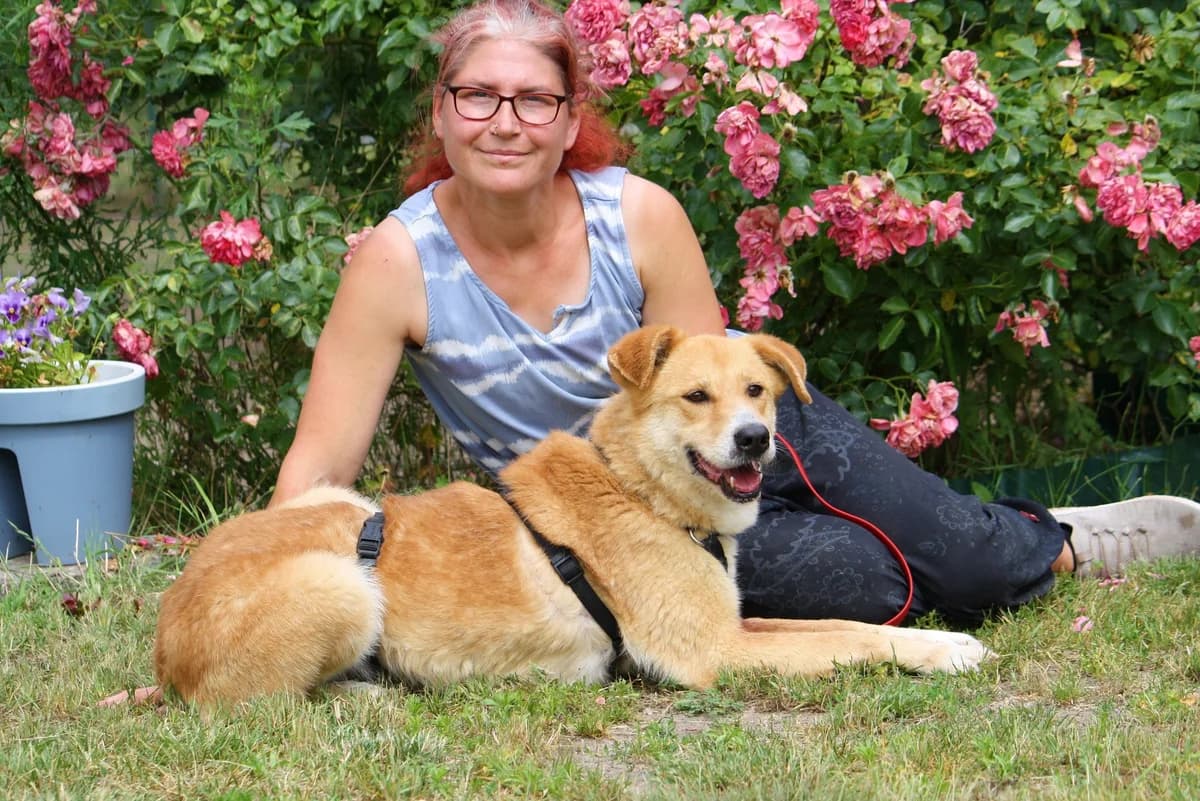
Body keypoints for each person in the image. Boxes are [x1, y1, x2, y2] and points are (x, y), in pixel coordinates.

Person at [270, 0, 1200, 628]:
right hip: (604, 522)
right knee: (873, 578)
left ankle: (1058, 542)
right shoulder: (396, 262)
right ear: (440, 114)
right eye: (477, 96)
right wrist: (267, 587)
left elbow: (724, 382)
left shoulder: (638, 213)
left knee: (970, 566)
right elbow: (319, 469)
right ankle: (961, 535)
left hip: (753, 430)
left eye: (533, 99)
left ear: (567, 119)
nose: (503, 122)